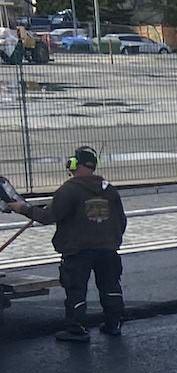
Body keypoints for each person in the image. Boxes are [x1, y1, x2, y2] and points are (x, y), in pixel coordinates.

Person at [5, 145, 127, 341]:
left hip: (78, 251)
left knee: (76, 290)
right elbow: (121, 221)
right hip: (108, 250)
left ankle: (76, 329)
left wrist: (23, 208)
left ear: (74, 164)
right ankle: (114, 324)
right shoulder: (110, 190)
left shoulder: (69, 190)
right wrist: (110, 240)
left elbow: (47, 216)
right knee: (111, 286)